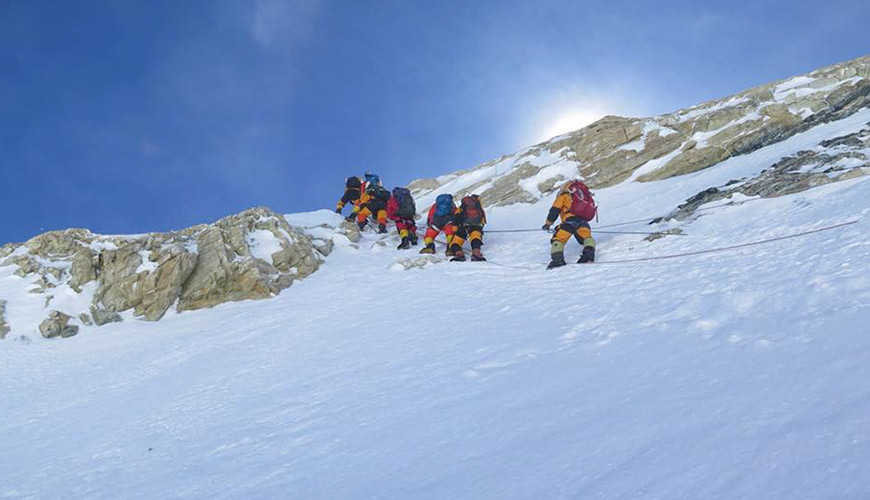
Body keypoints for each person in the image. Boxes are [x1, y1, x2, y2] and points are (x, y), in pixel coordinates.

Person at [542, 180, 597, 269]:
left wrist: (548, 224)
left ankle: (557, 260)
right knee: (586, 238)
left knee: (559, 238)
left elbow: (554, 210)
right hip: (583, 221)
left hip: (570, 221)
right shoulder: (583, 196)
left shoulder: (564, 196)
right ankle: (588, 256)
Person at [450, 194, 487, 261]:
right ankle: (476, 254)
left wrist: (455, 227)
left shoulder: (462, 207)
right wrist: (480, 228)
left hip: (462, 227)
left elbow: (455, 217)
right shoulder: (478, 207)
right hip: (476, 226)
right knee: (475, 238)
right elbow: (483, 219)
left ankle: (459, 255)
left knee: (455, 242)